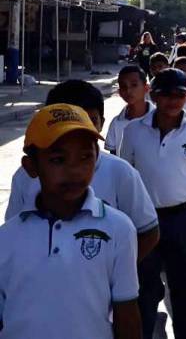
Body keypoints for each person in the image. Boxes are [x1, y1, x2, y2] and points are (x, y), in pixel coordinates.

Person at [0, 104, 141, 338]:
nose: (75, 170)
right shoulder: (7, 238)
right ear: (31, 166)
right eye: (58, 159)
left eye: (85, 157)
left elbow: (126, 314)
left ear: (97, 158)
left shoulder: (118, 229)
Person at [5, 80, 160, 264]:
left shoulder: (121, 172)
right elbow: (13, 236)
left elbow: (148, 232)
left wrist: (115, 272)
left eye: (90, 120)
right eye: (67, 122)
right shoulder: (24, 177)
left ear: (102, 122)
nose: (79, 131)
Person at [119, 68, 186, 339]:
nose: (173, 101)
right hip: (144, 222)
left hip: (184, 220)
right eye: (166, 94)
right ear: (154, 94)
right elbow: (125, 178)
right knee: (144, 291)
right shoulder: (133, 131)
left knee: (184, 291)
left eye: (180, 94)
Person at [105, 65, 154, 155]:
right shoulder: (116, 123)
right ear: (119, 92)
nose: (128, 90)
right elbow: (114, 156)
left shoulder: (160, 119)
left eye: (134, 85)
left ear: (146, 88)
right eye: (124, 86)